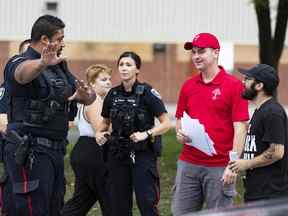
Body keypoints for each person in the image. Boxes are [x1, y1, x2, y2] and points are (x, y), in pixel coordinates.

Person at [3, 14, 95, 216]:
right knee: (32, 209)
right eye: (60, 38)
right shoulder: (19, 61)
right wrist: (42, 63)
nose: (63, 43)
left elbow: (86, 95)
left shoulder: (58, 67)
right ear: (45, 39)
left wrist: (85, 96)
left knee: (54, 208)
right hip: (30, 151)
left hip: (55, 151)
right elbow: (22, 74)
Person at [171, 32, 249, 215]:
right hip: (188, 164)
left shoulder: (234, 86)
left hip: (220, 167)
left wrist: (233, 164)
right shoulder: (188, 86)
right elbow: (179, 119)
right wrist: (179, 133)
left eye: (201, 51)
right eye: (194, 52)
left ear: (215, 53)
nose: (196, 56)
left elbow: (240, 127)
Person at [95, 51, 171, 216]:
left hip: (142, 154)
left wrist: (147, 133)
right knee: (119, 204)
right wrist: (99, 133)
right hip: (118, 154)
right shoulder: (113, 94)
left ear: (137, 69)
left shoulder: (147, 93)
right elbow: (105, 123)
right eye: (121, 65)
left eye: (128, 65)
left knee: (146, 201)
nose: (124, 68)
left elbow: (166, 124)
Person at [229, 64, 288, 202]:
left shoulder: (272, 112)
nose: (243, 82)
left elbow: (277, 152)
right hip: (257, 191)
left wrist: (246, 164)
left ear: (259, 86)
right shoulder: (260, 111)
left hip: (270, 196)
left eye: (248, 79)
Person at [61, 64, 112, 216]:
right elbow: (101, 131)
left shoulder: (96, 101)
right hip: (93, 152)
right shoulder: (94, 102)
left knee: (82, 200)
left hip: (86, 152)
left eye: (109, 78)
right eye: (103, 79)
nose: (109, 82)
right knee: (111, 199)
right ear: (92, 84)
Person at [0, 38, 31, 215]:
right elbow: (2, 121)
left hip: (42, 151)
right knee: (17, 197)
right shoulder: (9, 86)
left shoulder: (44, 85)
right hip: (18, 150)